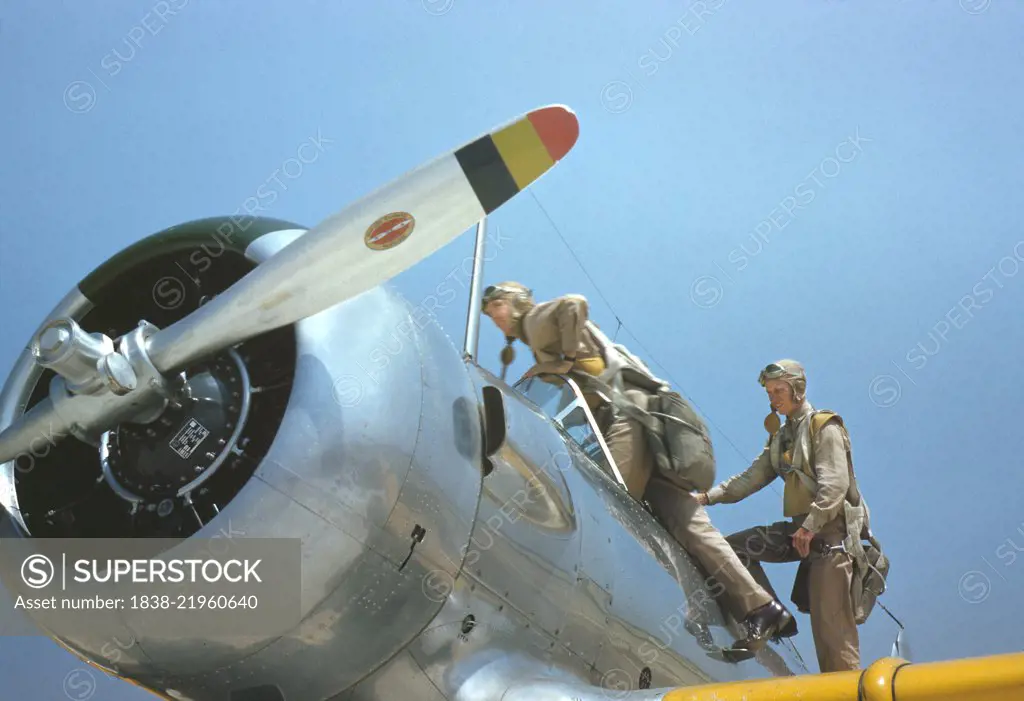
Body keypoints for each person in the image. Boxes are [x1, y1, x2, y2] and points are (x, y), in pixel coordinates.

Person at [480, 282, 792, 653]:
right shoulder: (535, 334)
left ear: (512, 303)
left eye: (496, 308)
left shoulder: (534, 322)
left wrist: (558, 361)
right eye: (489, 314)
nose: (495, 319)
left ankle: (664, 612)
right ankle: (760, 606)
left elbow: (574, 305)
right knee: (689, 524)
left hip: (627, 422)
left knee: (606, 508)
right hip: (645, 426)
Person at [695, 359, 863, 672]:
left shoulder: (824, 427)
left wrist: (810, 527)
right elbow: (749, 479)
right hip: (799, 533)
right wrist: (705, 497)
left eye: (779, 390)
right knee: (731, 550)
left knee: (833, 646)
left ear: (798, 389)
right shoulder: (781, 439)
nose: (773, 398)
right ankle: (769, 612)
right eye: (770, 392)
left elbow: (835, 485)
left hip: (828, 542)